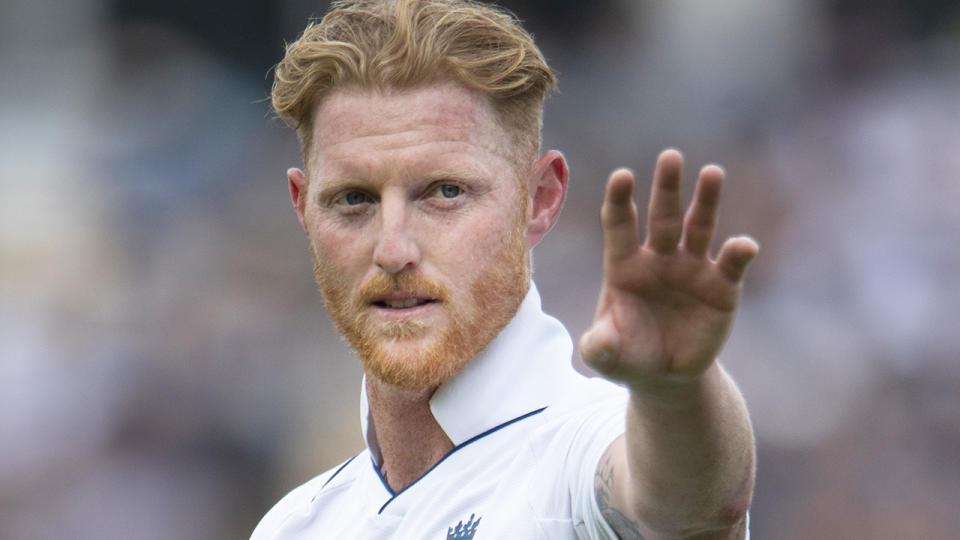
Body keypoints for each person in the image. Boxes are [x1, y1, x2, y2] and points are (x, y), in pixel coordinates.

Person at [253, 0, 758, 538]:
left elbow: (690, 506)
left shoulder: (581, 456)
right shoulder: (294, 526)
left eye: (445, 192)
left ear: (540, 198)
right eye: (354, 199)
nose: (393, 249)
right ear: (302, 207)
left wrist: (676, 391)